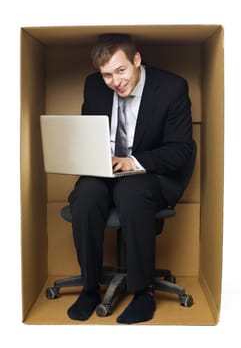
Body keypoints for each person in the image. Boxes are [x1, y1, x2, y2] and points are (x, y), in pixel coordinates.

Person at [67, 33, 193, 324]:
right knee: (85, 196)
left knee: (132, 192)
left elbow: (181, 151)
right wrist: (88, 157)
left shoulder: (172, 88)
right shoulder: (94, 86)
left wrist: (131, 162)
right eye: (107, 75)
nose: (115, 81)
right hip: (106, 171)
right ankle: (89, 288)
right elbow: (89, 135)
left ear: (136, 60)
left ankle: (142, 292)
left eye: (121, 70)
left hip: (149, 173)